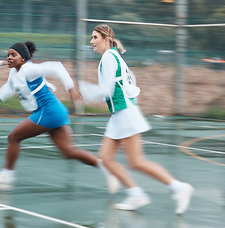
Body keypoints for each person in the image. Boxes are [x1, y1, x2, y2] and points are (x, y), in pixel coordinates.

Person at [80, 24, 194, 214]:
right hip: (122, 112)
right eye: (91, 38)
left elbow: (106, 90)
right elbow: (132, 83)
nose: (91, 41)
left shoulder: (109, 57)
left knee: (136, 161)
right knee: (107, 159)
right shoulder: (116, 56)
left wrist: (82, 89)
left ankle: (179, 188)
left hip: (125, 113)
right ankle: (136, 194)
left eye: (95, 37)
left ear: (106, 39)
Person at [0, 41, 119, 192]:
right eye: (8, 55)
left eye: (13, 55)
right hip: (54, 111)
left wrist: (71, 88)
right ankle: (107, 168)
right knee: (69, 152)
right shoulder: (14, 73)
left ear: (23, 59)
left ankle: (5, 178)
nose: (9, 57)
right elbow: (8, 89)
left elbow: (56, 66)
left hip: (48, 110)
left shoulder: (29, 69)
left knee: (13, 137)